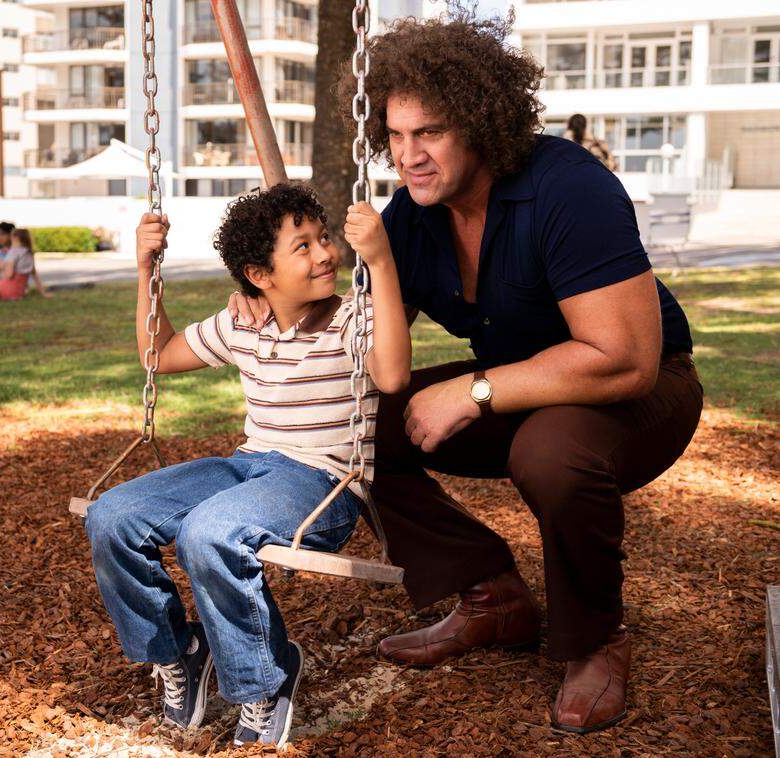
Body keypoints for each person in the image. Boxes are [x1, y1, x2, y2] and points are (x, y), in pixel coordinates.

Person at [230, 9, 701, 736]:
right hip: (526, 383)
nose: (408, 155)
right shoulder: (414, 216)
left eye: (430, 133)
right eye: (395, 135)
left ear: (481, 123)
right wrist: (269, 297)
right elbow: (358, 336)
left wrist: (476, 391)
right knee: (367, 416)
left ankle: (595, 638)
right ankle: (491, 595)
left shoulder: (568, 189)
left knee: (550, 450)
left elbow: (625, 359)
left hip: (642, 390)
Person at [83, 183, 411, 749]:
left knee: (209, 532)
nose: (325, 254)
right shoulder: (243, 323)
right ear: (260, 275)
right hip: (249, 464)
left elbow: (393, 376)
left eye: (324, 238)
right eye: (303, 247)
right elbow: (158, 354)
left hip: (322, 483)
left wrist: (380, 264)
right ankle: (180, 653)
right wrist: (146, 269)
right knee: (112, 516)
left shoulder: (352, 318)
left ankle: (266, 678)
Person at [0, 227, 49, 301]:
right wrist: (44, 293)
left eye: (11, 238)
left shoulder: (13, 252)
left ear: (15, 238)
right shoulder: (29, 253)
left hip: (8, 289)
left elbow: (8, 275)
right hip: (20, 292)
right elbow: (35, 276)